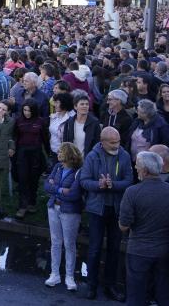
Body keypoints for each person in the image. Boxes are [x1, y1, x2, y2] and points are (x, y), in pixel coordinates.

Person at [79, 126, 132, 302]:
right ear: (102, 142)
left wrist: (113, 185)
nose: (117, 144)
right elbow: (84, 181)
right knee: (94, 249)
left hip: (117, 209)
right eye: (113, 142)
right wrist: (98, 185)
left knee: (114, 249)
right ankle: (91, 285)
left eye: (118, 141)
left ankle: (110, 285)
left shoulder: (124, 155)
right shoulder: (92, 156)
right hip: (96, 209)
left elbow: (129, 181)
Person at [118, 151, 169, 306]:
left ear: (145, 171)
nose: (135, 168)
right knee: (164, 294)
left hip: (139, 251)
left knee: (135, 296)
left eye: (137, 166)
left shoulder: (132, 192)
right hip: (164, 251)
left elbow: (124, 226)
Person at [43, 142, 84, 292]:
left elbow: (74, 194)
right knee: (55, 242)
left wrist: (55, 188)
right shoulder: (57, 167)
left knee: (69, 244)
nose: (58, 154)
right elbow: (46, 185)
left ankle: (69, 276)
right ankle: (54, 274)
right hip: (53, 207)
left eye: (61, 152)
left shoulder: (78, 172)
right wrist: (61, 189)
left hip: (70, 212)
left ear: (69, 155)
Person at [14, 99, 47, 219]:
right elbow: (15, 137)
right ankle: (22, 206)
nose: (27, 112)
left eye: (29, 110)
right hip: (22, 153)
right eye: (25, 110)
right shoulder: (18, 121)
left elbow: (45, 138)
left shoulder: (40, 121)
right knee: (22, 179)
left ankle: (32, 202)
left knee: (34, 179)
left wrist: (47, 154)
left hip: (36, 153)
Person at [101, 89, 133, 153]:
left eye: (110, 99)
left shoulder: (127, 119)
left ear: (118, 101)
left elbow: (125, 140)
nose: (107, 102)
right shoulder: (106, 114)